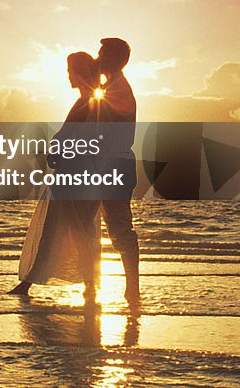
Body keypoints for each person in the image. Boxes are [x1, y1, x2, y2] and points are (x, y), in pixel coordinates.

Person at [9, 52, 102, 304]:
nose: (68, 75)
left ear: (80, 72)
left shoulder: (90, 102)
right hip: (74, 172)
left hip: (77, 173)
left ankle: (88, 284)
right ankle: (32, 283)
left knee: (74, 227)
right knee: (61, 226)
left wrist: (62, 152)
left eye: (71, 70)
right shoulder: (87, 101)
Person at [96, 37, 140, 304]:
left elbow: (103, 132)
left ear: (113, 58)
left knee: (120, 228)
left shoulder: (117, 90)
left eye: (101, 54)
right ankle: (122, 286)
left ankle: (132, 288)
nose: (97, 58)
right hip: (112, 164)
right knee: (108, 226)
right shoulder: (110, 87)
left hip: (113, 165)